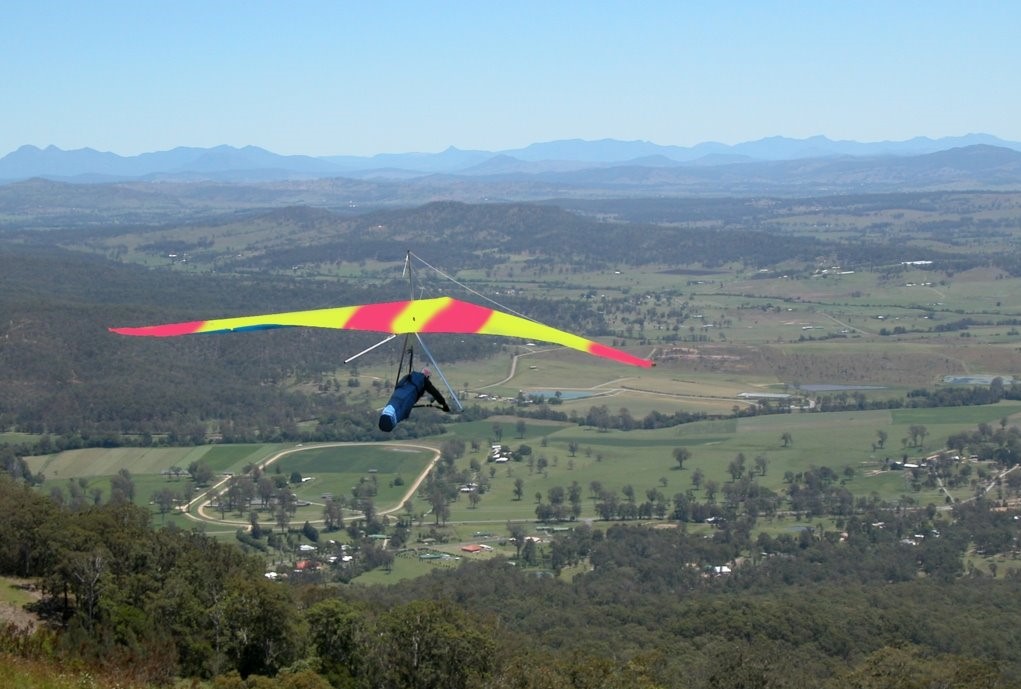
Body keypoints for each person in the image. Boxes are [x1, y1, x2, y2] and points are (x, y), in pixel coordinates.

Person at [378, 367, 450, 432]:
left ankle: (386, 415)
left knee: (391, 407)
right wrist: (444, 404)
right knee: (401, 414)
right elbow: (435, 393)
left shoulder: (410, 375)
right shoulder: (424, 380)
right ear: (427, 377)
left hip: (397, 394)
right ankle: (389, 420)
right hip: (407, 397)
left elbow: (399, 384)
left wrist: (398, 392)